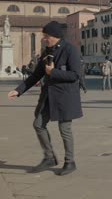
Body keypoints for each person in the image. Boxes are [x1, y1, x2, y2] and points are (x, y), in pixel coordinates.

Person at [7, 21, 83, 176]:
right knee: (38, 124)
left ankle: (70, 162)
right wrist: (18, 90)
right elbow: (36, 75)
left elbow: (76, 75)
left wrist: (53, 72)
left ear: (54, 36)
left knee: (65, 129)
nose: (43, 39)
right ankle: (49, 157)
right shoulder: (47, 51)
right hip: (48, 96)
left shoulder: (70, 51)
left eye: (46, 36)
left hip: (65, 96)